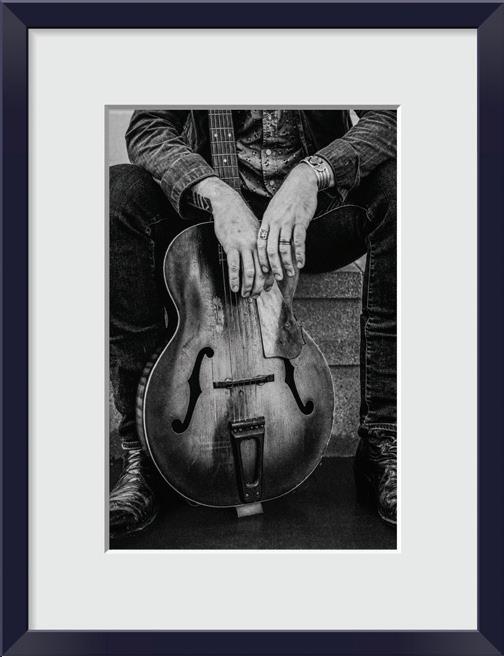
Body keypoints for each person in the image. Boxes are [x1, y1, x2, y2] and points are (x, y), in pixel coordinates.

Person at [109, 109, 397, 538]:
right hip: (210, 219)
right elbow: (148, 128)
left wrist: (311, 174)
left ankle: (383, 442)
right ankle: (145, 455)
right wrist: (215, 192)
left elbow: (390, 117)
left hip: (311, 214)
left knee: (399, 186)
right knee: (119, 191)